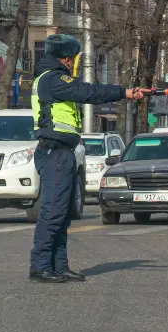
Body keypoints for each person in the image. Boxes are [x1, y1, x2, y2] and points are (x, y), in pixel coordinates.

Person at [29, 34, 145, 283]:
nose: (74, 65)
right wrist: (124, 92)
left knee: (63, 213)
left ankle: (59, 266)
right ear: (68, 59)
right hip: (55, 152)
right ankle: (40, 265)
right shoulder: (54, 79)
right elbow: (88, 92)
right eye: (74, 59)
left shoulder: (52, 78)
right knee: (53, 212)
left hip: (63, 152)